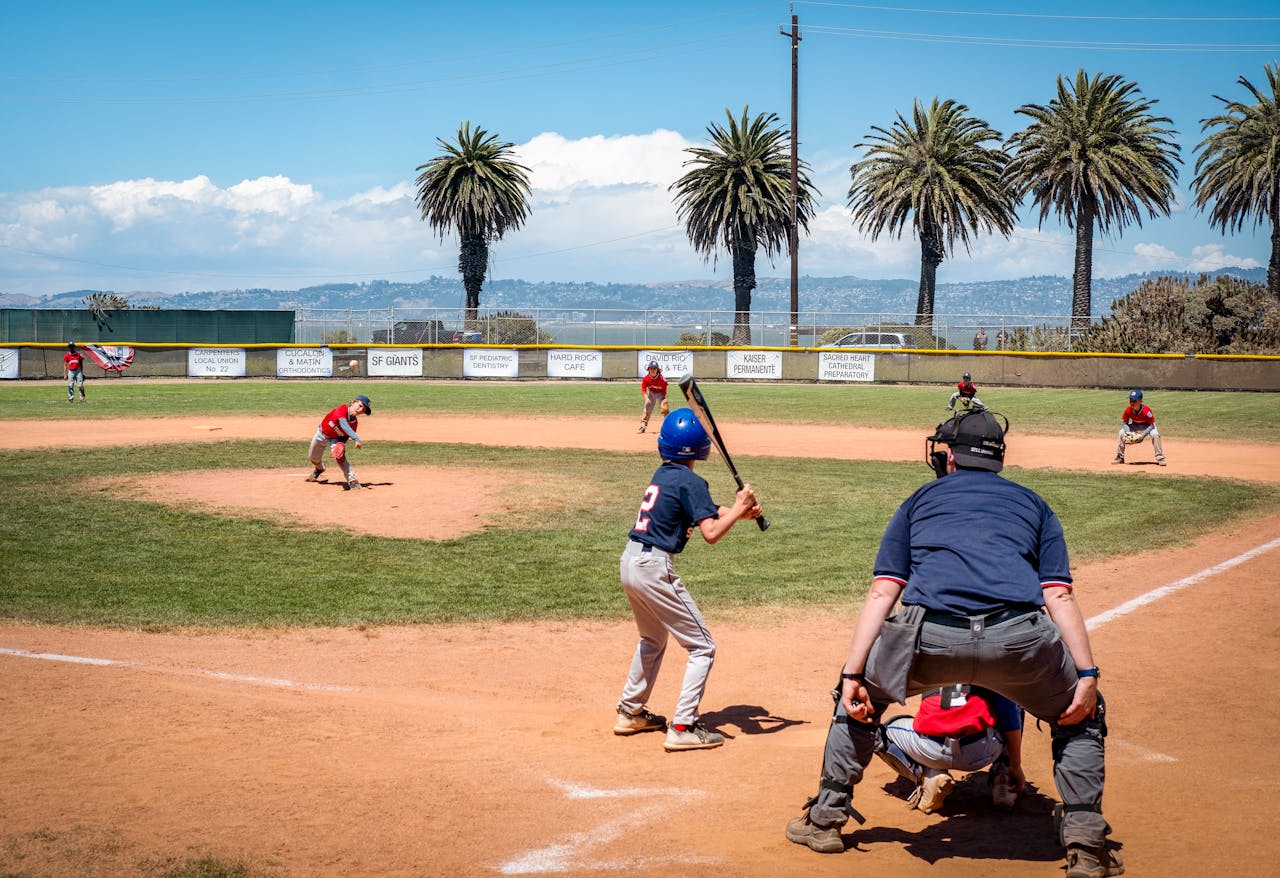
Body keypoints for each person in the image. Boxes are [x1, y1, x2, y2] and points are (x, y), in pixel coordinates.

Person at [785, 409, 1121, 878]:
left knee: (857, 705)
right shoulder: (1034, 504)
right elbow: (1058, 594)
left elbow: (885, 589)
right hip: (1018, 639)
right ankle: (1085, 845)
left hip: (930, 637)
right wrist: (1087, 676)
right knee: (1082, 715)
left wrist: (852, 675)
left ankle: (825, 819)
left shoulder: (920, 500)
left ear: (949, 457)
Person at [614, 407, 761, 751]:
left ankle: (630, 711)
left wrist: (739, 512)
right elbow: (710, 532)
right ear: (700, 448)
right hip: (654, 568)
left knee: (652, 639)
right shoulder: (691, 480)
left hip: (631, 561)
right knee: (703, 647)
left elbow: (706, 510)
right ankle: (682, 727)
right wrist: (739, 508)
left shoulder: (665, 475)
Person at [875, 684, 1023, 815]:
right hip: (980, 751)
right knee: (1013, 698)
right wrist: (1015, 764)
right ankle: (1004, 779)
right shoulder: (989, 662)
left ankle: (928, 776)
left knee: (879, 733)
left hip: (931, 749)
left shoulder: (929, 657)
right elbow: (1010, 718)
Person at [307, 394, 372, 490]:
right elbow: (343, 424)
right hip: (322, 433)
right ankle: (319, 468)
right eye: (360, 406)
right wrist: (356, 438)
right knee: (313, 458)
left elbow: (345, 435)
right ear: (353, 402)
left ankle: (352, 480)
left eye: (363, 410)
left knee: (340, 456)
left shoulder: (354, 423)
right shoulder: (342, 409)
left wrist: (340, 444)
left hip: (335, 438)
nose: (360, 410)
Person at [1113, 388, 1166, 466]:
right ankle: (1120, 457)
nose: (1132, 402)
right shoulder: (1128, 410)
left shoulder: (1146, 411)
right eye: (1131, 400)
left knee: (1155, 434)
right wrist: (1128, 433)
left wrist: (1142, 436)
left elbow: (1151, 425)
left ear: (1140, 401)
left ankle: (1160, 457)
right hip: (1135, 425)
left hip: (1148, 425)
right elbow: (1125, 423)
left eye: (1134, 400)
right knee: (1121, 432)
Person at [638, 360, 669, 433]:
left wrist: (663, 399)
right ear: (648, 369)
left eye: (654, 368)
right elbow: (643, 389)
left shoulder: (662, 379)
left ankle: (669, 426)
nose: (652, 370)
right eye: (651, 368)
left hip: (660, 393)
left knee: (665, 409)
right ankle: (643, 426)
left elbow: (664, 389)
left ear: (657, 370)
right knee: (647, 408)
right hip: (651, 393)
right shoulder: (646, 378)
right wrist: (646, 398)